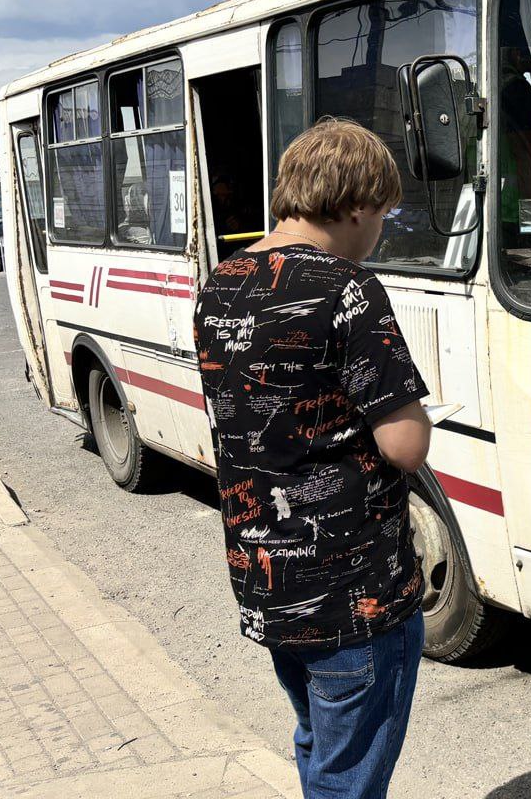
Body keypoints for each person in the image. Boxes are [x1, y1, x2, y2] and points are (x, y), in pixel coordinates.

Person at [194, 118, 431, 799]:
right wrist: (414, 409)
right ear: (357, 205)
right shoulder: (347, 288)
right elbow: (403, 444)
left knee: (318, 744)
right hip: (351, 593)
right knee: (347, 777)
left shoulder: (222, 283)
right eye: (383, 214)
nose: (381, 228)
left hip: (267, 582)